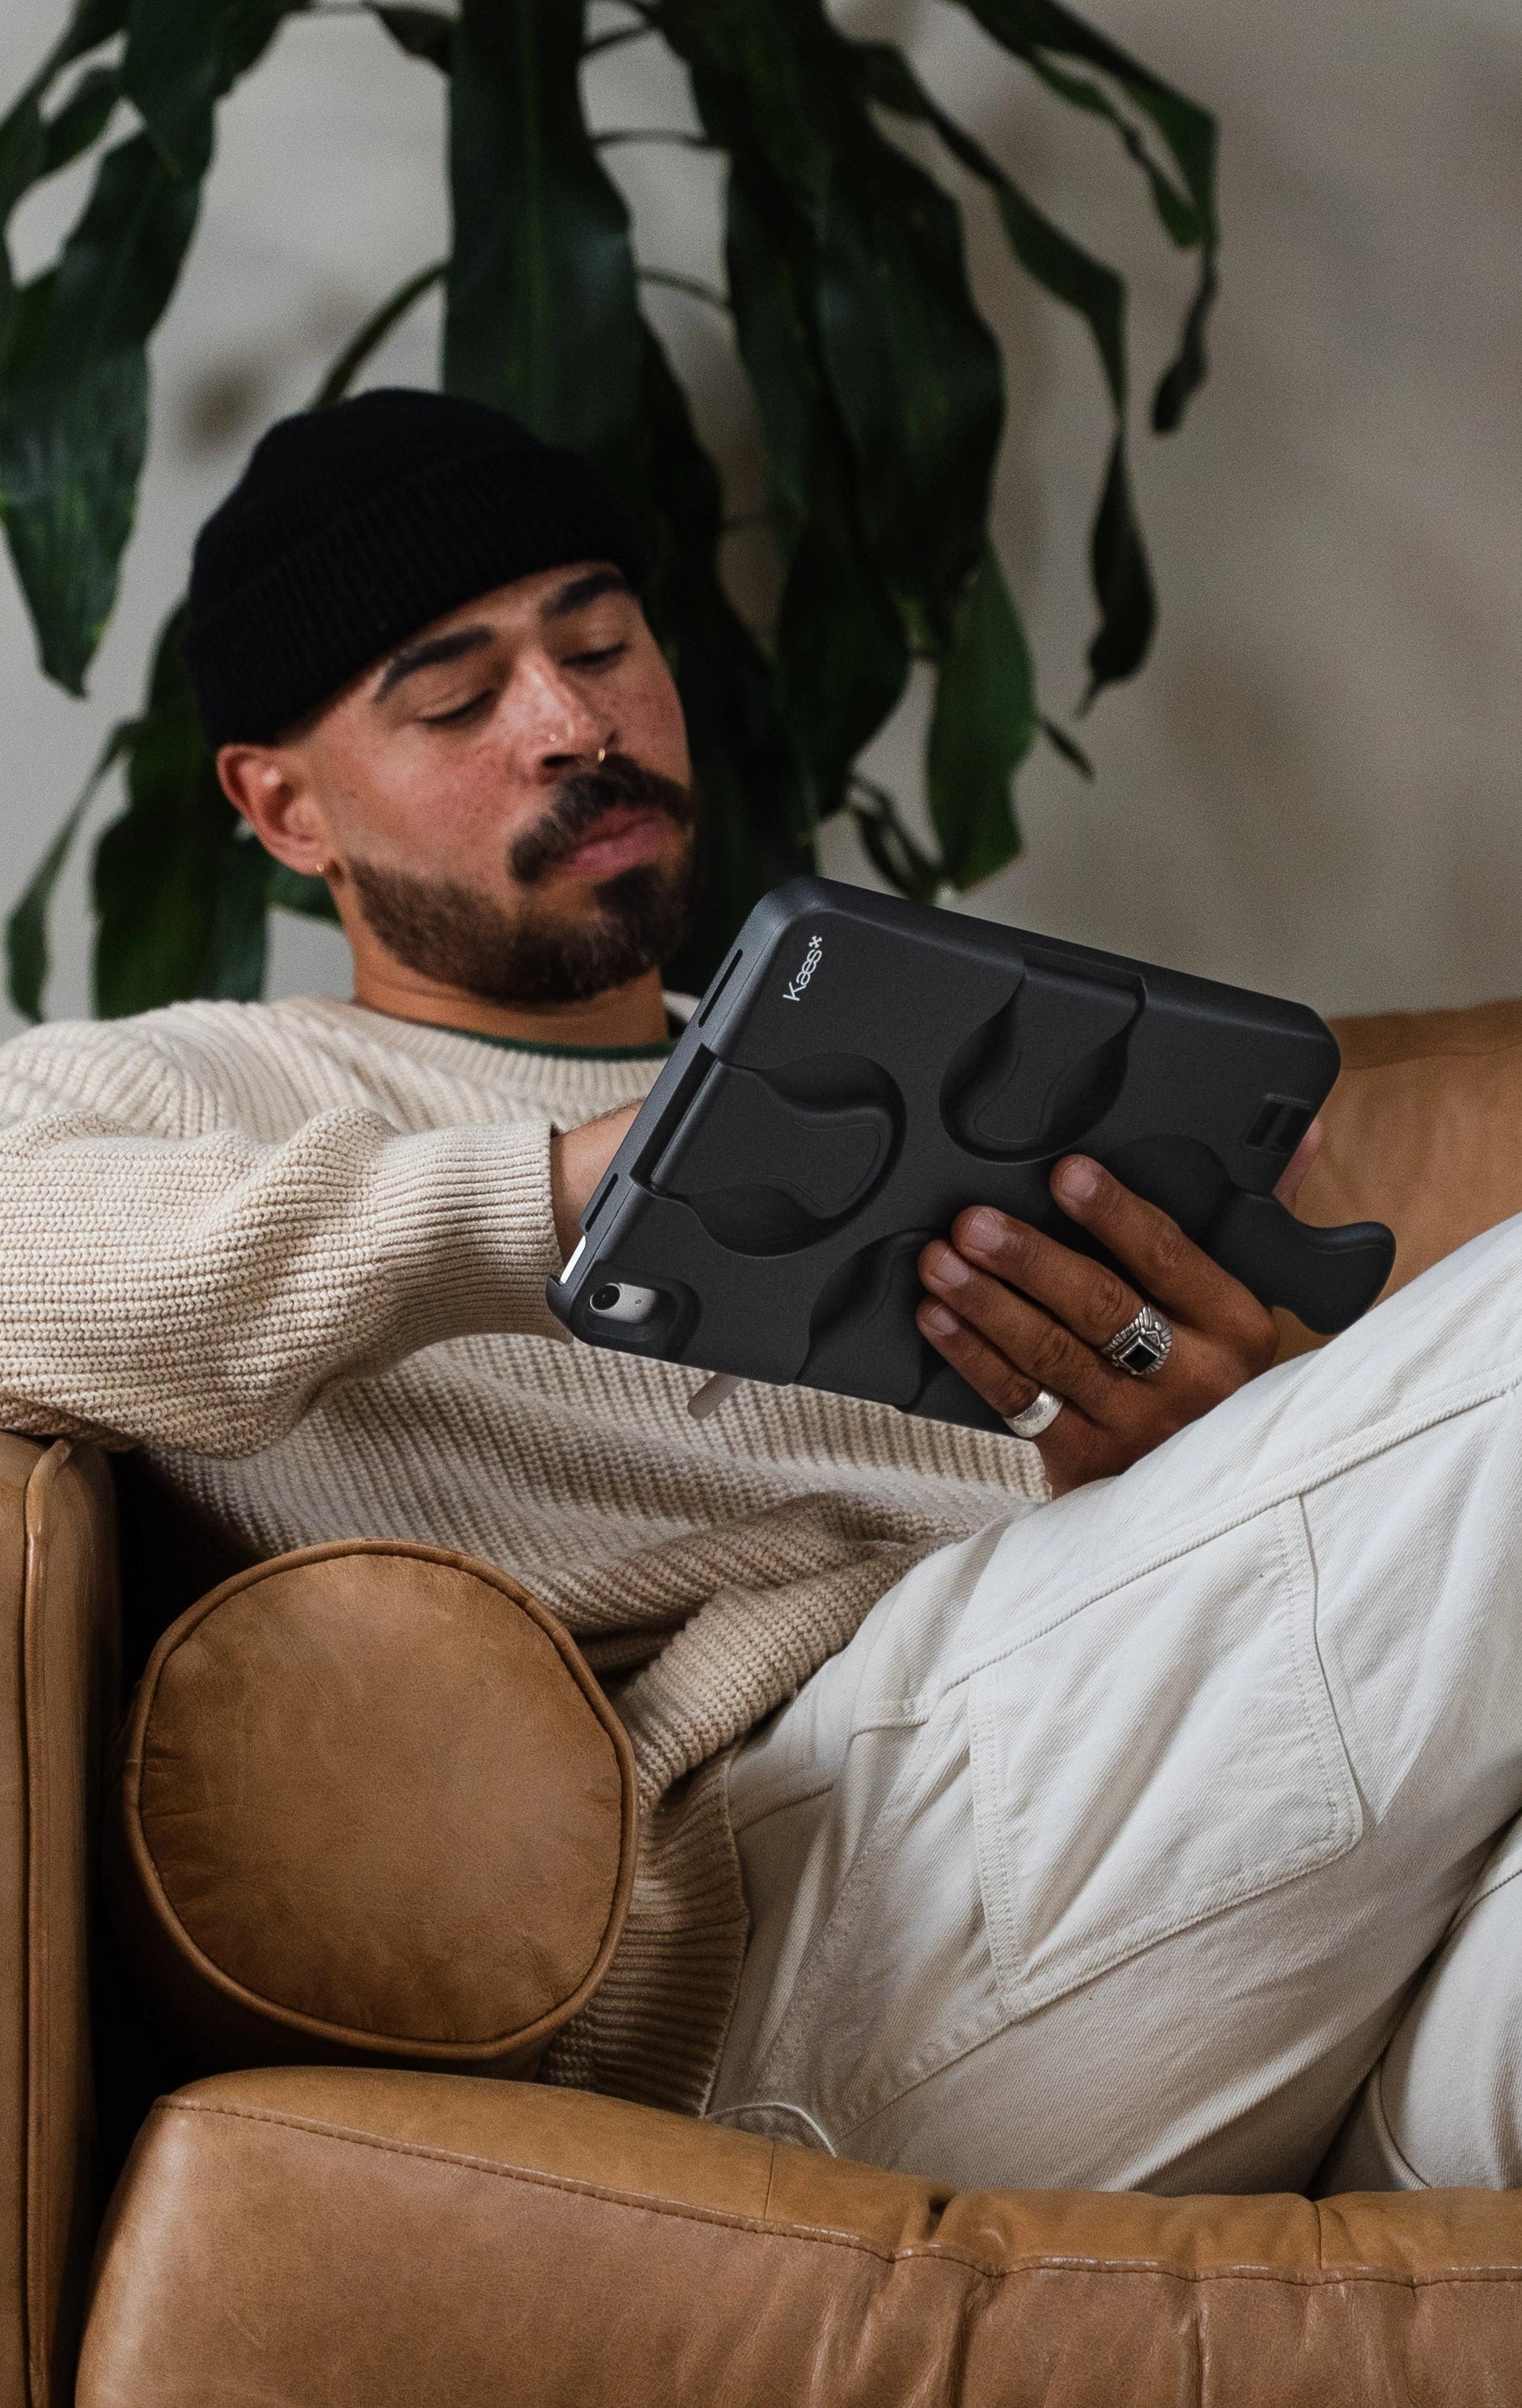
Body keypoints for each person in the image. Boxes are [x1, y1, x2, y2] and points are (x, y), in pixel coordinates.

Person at [0, 387, 1516, 2194]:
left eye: (601, 643)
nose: (571, 725)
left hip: (1188, 1859)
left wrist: (1212, 1441)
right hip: (827, 1898)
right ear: (283, 807)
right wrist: (560, 1193)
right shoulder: (194, 1091)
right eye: (459, 696)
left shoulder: (901, 1054)